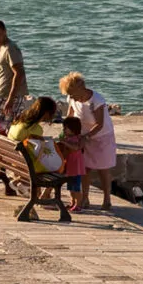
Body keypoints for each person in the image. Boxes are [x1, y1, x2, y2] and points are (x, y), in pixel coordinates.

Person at [59, 72, 117, 211]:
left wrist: (86, 137)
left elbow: (100, 124)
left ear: (81, 88)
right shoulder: (72, 99)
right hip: (83, 136)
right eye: (70, 95)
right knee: (84, 168)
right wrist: (66, 132)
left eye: (73, 94)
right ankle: (85, 198)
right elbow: (70, 117)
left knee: (103, 169)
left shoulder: (96, 100)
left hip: (101, 137)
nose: (72, 97)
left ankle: (107, 199)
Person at [0, 20, 26, 120]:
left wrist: (10, 99)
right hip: (1, 95)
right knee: (2, 128)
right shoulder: (1, 49)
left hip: (9, 96)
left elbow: (19, 73)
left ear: (5, 31)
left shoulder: (10, 48)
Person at [56, 116, 87, 212]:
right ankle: (72, 202)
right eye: (63, 128)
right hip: (69, 166)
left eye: (66, 128)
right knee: (70, 187)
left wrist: (65, 143)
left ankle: (79, 204)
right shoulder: (67, 138)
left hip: (76, 167)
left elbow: (76, 148)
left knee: (76, 187)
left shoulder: (78, 138)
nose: (64, 130)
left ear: (73, 129)